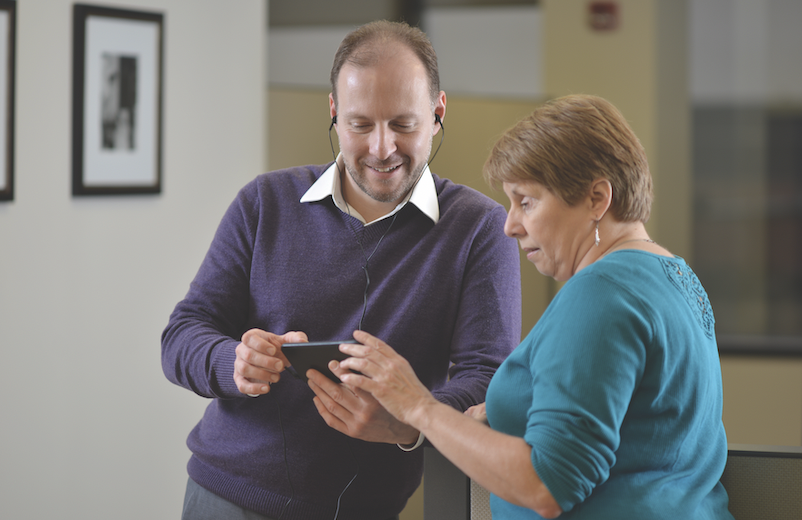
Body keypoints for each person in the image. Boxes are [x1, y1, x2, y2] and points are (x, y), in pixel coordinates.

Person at [161, 20, 521, 520]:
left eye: (403, 124)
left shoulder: (480, 229)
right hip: (222, 497)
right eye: (359, 125)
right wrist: (233, 362)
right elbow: (182, 335)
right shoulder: (263, 202)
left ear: (437, 114)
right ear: (333, 112)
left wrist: (406, 418)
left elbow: (491, 379)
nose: (381, 148)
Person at [333, 95, 735, 519]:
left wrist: (418, 406)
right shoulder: (672, 275)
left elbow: (549, 486)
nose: (510, 225)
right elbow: (643, 425)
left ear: (597, 198)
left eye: (526, 201)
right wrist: (517, 412)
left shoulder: (599, 294)